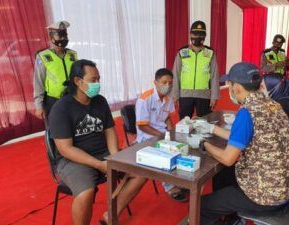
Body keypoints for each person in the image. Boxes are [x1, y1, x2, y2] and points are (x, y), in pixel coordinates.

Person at [196, 62, 289, 225]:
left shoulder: (247, 112)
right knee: (222, 175)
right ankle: (232, 218)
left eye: (229, 84)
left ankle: (224, 216)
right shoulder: (273, 105)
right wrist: (212, 128)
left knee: (201, 206)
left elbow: (228, 158)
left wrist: (204, 145)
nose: (229, 88)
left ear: (236, 87)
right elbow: (242, 136)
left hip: (265, 195)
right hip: (283, 185)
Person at [49, 59, 146, 225]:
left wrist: (115, 158)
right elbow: (66, 149)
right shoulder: (61, 108)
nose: (97, 84)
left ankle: (111, 215)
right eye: (93, 80)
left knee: (141, 172)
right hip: (74, 160)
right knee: (86, 191)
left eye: (98, 79)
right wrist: (100, 165)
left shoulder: (100, 101)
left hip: (103, 153)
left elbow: (109, 131)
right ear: (78, 81)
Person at [135, 68, 188, 202]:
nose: (168, 86)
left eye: (170, 83)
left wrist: (172, 133)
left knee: (182, 146)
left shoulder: (168, 99)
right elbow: (142, 125)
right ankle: (169, 186)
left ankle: (178, 180)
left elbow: (167, 118)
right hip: (147, 136)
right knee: (166, 151)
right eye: (164, 82)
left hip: (162, 133)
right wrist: (162, 136)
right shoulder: (145, 99)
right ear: (155, 82)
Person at [172, 20, 220, 120]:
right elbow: (175, 75)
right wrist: (175, 95)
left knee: (204, 124)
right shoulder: (182, 52)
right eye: (195, 33)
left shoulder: (210, 53)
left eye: (201, 34)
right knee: (184, 124)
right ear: (190, 34)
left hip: (204, 95)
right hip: (185, 95)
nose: (198, 37)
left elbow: (214, 76)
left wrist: (214, 96)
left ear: (205, 36)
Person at [33, 20, 78, 121]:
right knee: (56, 131)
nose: (63, 38)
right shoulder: (43, 56)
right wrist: (38, 106)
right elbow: (38, 82)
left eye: (65, 35)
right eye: (60, 35)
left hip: (73, 98)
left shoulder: (72, 55)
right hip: (53, 101)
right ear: (51, 37)